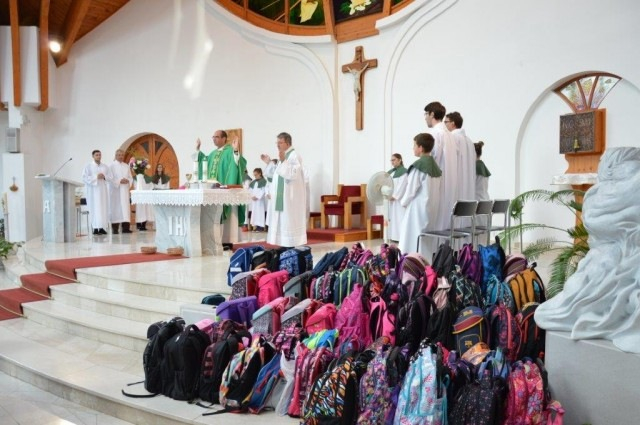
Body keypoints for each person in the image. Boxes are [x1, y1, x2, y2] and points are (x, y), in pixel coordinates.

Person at [193, 130, 247, 248]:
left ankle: (228, 240)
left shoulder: (230, 151)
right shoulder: (212, 154)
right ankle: (215, 240)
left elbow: (239, 162)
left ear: (224, 139)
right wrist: (198, 151)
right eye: (213, 137)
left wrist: (236, 151)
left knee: (228, 218)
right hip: (213, 191)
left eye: (217, 137)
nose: (214, 139)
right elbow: (203, 162)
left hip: (226, 191)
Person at [398, 133, 442, 257]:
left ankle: (410, 262)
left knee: (410, 237)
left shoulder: (419, 166)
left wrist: (403, 202)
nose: (413, 148)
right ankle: (426, 261)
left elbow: (411, 189)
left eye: (414, 145)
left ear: (421, 148)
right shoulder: (435, 166)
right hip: (431, 208)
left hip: (417, 209)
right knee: (426, 239)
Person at [266, 132, 307, 247]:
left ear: (288, 143)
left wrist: (283, 161)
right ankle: (284, 244)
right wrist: (269, 163)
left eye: (280, 142)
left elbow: (293, 174)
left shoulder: (294, 155)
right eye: (277, 142)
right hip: (282, 197)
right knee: (282, 220)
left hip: (290, 197)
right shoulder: (284, 156)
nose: (277, 145)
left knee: (288, 221)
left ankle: (290, 244)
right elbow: (276, 175)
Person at [424, 101, 458, 232]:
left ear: (432, 114)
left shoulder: (435, 133)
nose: (425, 118)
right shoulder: (449, 134)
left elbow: (432, 158)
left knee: (434, 221)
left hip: (437, 183)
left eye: (426, 114)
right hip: (450, 183)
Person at [445, 111, 476, 202]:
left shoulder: (452, 138)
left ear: (453, 123)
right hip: (468, 186)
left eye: (446, 122)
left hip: (456, 184)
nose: (444, 125)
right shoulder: (469, 141)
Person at [82, 150, 112, 235]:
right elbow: (84, 178)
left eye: (99, 155)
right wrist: (96, 177)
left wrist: (104, 176)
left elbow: (110, 177)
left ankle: (102, 228)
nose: (99, 156)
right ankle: (95, 228)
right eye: (97, 155)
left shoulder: (105, 167)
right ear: (93, 156)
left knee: (103, 208)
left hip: (102, 191)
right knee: (94, 208)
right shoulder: (88, 166)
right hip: (93, 191)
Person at [108, 149, 132, 234]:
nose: (121, 156)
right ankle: (115, 228)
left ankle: (126, 228)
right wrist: (119, 181)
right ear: (115, 156)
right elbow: (109, 178)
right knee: (116, 208)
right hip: (116, 191)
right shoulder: (111, 166)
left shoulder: (126, 166)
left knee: (125, 208)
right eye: (119, 155)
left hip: (124, 190)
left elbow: (130, 177)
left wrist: (128, 180)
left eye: (122, 155)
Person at [387, 153, 408, 242]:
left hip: (399, 200)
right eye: (391, 160)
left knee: (400, 218)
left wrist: (395, 196)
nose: (392, 162)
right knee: (392, 218)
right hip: (391, 199)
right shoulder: (392, 172)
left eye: (394, 160)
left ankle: (400, 238)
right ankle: (393, 237)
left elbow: (402, 185)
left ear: (400, 160)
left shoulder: (404, 172)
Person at [249, 168, 267, 232]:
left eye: (256, 175)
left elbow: (263, 190)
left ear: (260, 173)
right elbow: (250, 190)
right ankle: (256, 226)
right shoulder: (254, 182)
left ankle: (261, 227)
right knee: (255, 213)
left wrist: (257, 197)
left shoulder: (263, 181)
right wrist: (252, 196)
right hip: (254, 200)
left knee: (260, 213)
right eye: (254, 175)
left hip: (260, 201)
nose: (255, 176)